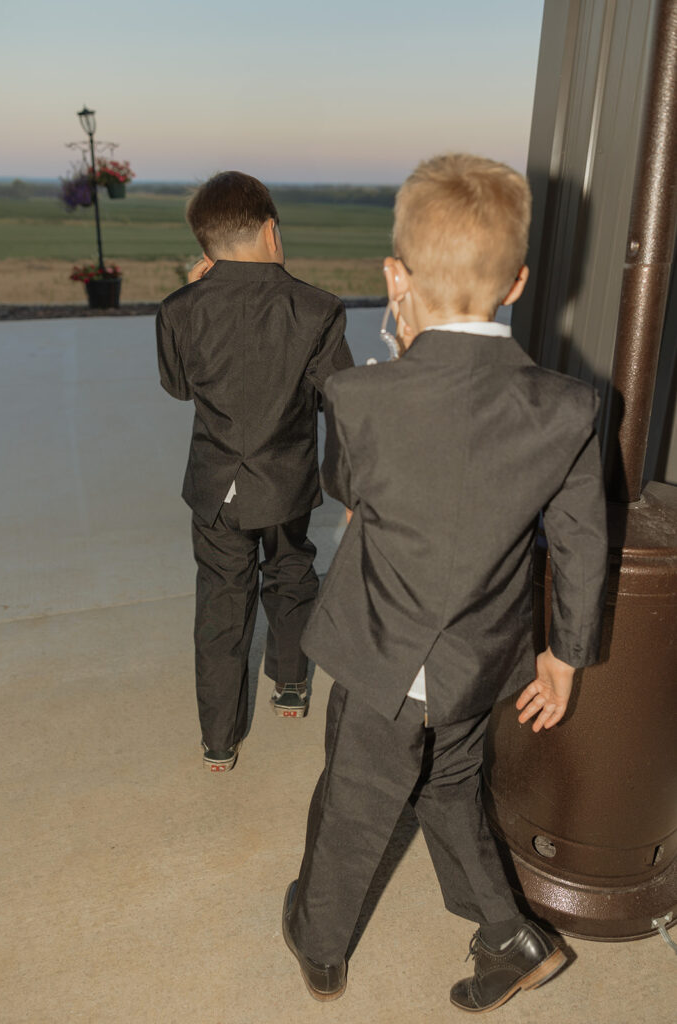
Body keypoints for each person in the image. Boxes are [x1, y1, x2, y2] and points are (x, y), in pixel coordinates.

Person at [282, 153, 608, 1011]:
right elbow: (580, 543)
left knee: (356, 802)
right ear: (518, 282)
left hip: (383, 657)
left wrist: (397, 355)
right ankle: (506, 934)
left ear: (396, 275)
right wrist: (563, 658)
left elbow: (349, 497)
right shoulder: (567, 406)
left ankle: (317, 941)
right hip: (481, 659)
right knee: (450, 781)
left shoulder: (358, 397)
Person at [156, 171, 353, 773]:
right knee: (291, 571)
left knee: (221, 600)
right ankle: (291, 685)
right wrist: (346, 484)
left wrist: (192, 294)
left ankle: (219, 739)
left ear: (206, 244)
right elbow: (338, 399)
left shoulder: (178, 309)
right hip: (287, 483)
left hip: (215, 487)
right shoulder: (318, 309)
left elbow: (178, 386)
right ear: (271, 230)